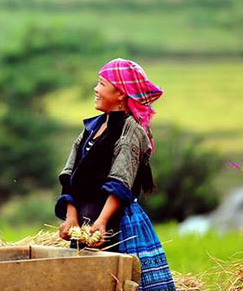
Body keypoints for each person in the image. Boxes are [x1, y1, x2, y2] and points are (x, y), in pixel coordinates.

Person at [55, 58, 176, 291]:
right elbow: (70, 175)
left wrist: (102, 222)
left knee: (115, 283)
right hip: (85, 223)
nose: (95, 89)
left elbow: (120, 183)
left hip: (115, 223)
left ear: (120, 94)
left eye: (101, 83)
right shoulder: (92, 127)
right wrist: (71, 217)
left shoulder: (132, 131)